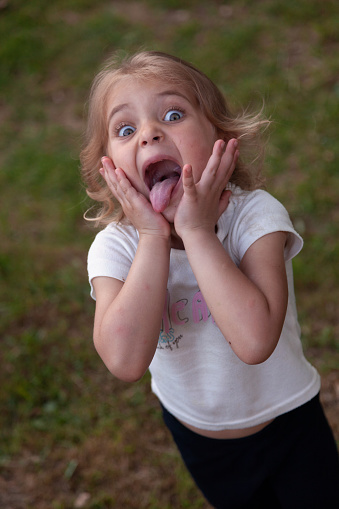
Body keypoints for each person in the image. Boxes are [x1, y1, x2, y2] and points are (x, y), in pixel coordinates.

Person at [80, 50, 339, 508]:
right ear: (109, 167)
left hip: (289, 420)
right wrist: (153, 239)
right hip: (198, 434)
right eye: (125, 129)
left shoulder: (255, 217)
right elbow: (124, 360)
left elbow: (256, 341)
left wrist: (196, 231)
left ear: (220, 136)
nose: (149, 134)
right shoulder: (116, 248)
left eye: (173, 114)